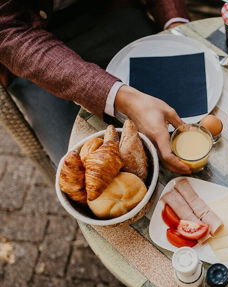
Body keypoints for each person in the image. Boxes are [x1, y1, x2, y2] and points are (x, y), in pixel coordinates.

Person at [0, 0, 192, 174]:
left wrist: (176, 25)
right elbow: (6, 29)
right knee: (81, 169)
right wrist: (121, 97)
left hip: (107, 12)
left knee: (187, 108)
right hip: (30, 46)